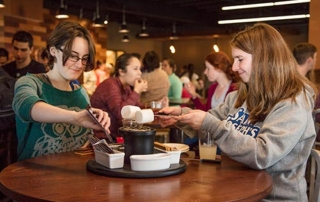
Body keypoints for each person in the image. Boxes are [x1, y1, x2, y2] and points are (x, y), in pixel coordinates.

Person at [159, 23, 317, 201]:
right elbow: (212, 120)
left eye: (240, 59)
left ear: (263, 58)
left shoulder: (293, 102)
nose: (234, 67)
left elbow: (263, 154)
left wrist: (210, 123)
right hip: (235, 188)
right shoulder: (240, 95)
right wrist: (181, 114)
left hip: (273, 197)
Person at [12, 21, 111, 161]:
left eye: (84, 58)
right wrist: (75, 117)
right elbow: (28, 107)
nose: (79, 64)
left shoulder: (81, 92)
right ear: (53, 50)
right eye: (72, 56)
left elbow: (83, 142)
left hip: (73, 174)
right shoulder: (30, 83)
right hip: (33, 175)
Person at [90, 53, 148, 138]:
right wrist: (136, 91)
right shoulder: (110, 85)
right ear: (121, 71)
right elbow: (121, 113)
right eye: (135, 69)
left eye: (140, 69)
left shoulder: (126, 87)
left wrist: (160, 110)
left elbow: (137, 107)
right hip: (103, 138)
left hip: (116, 136)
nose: (140, 73)